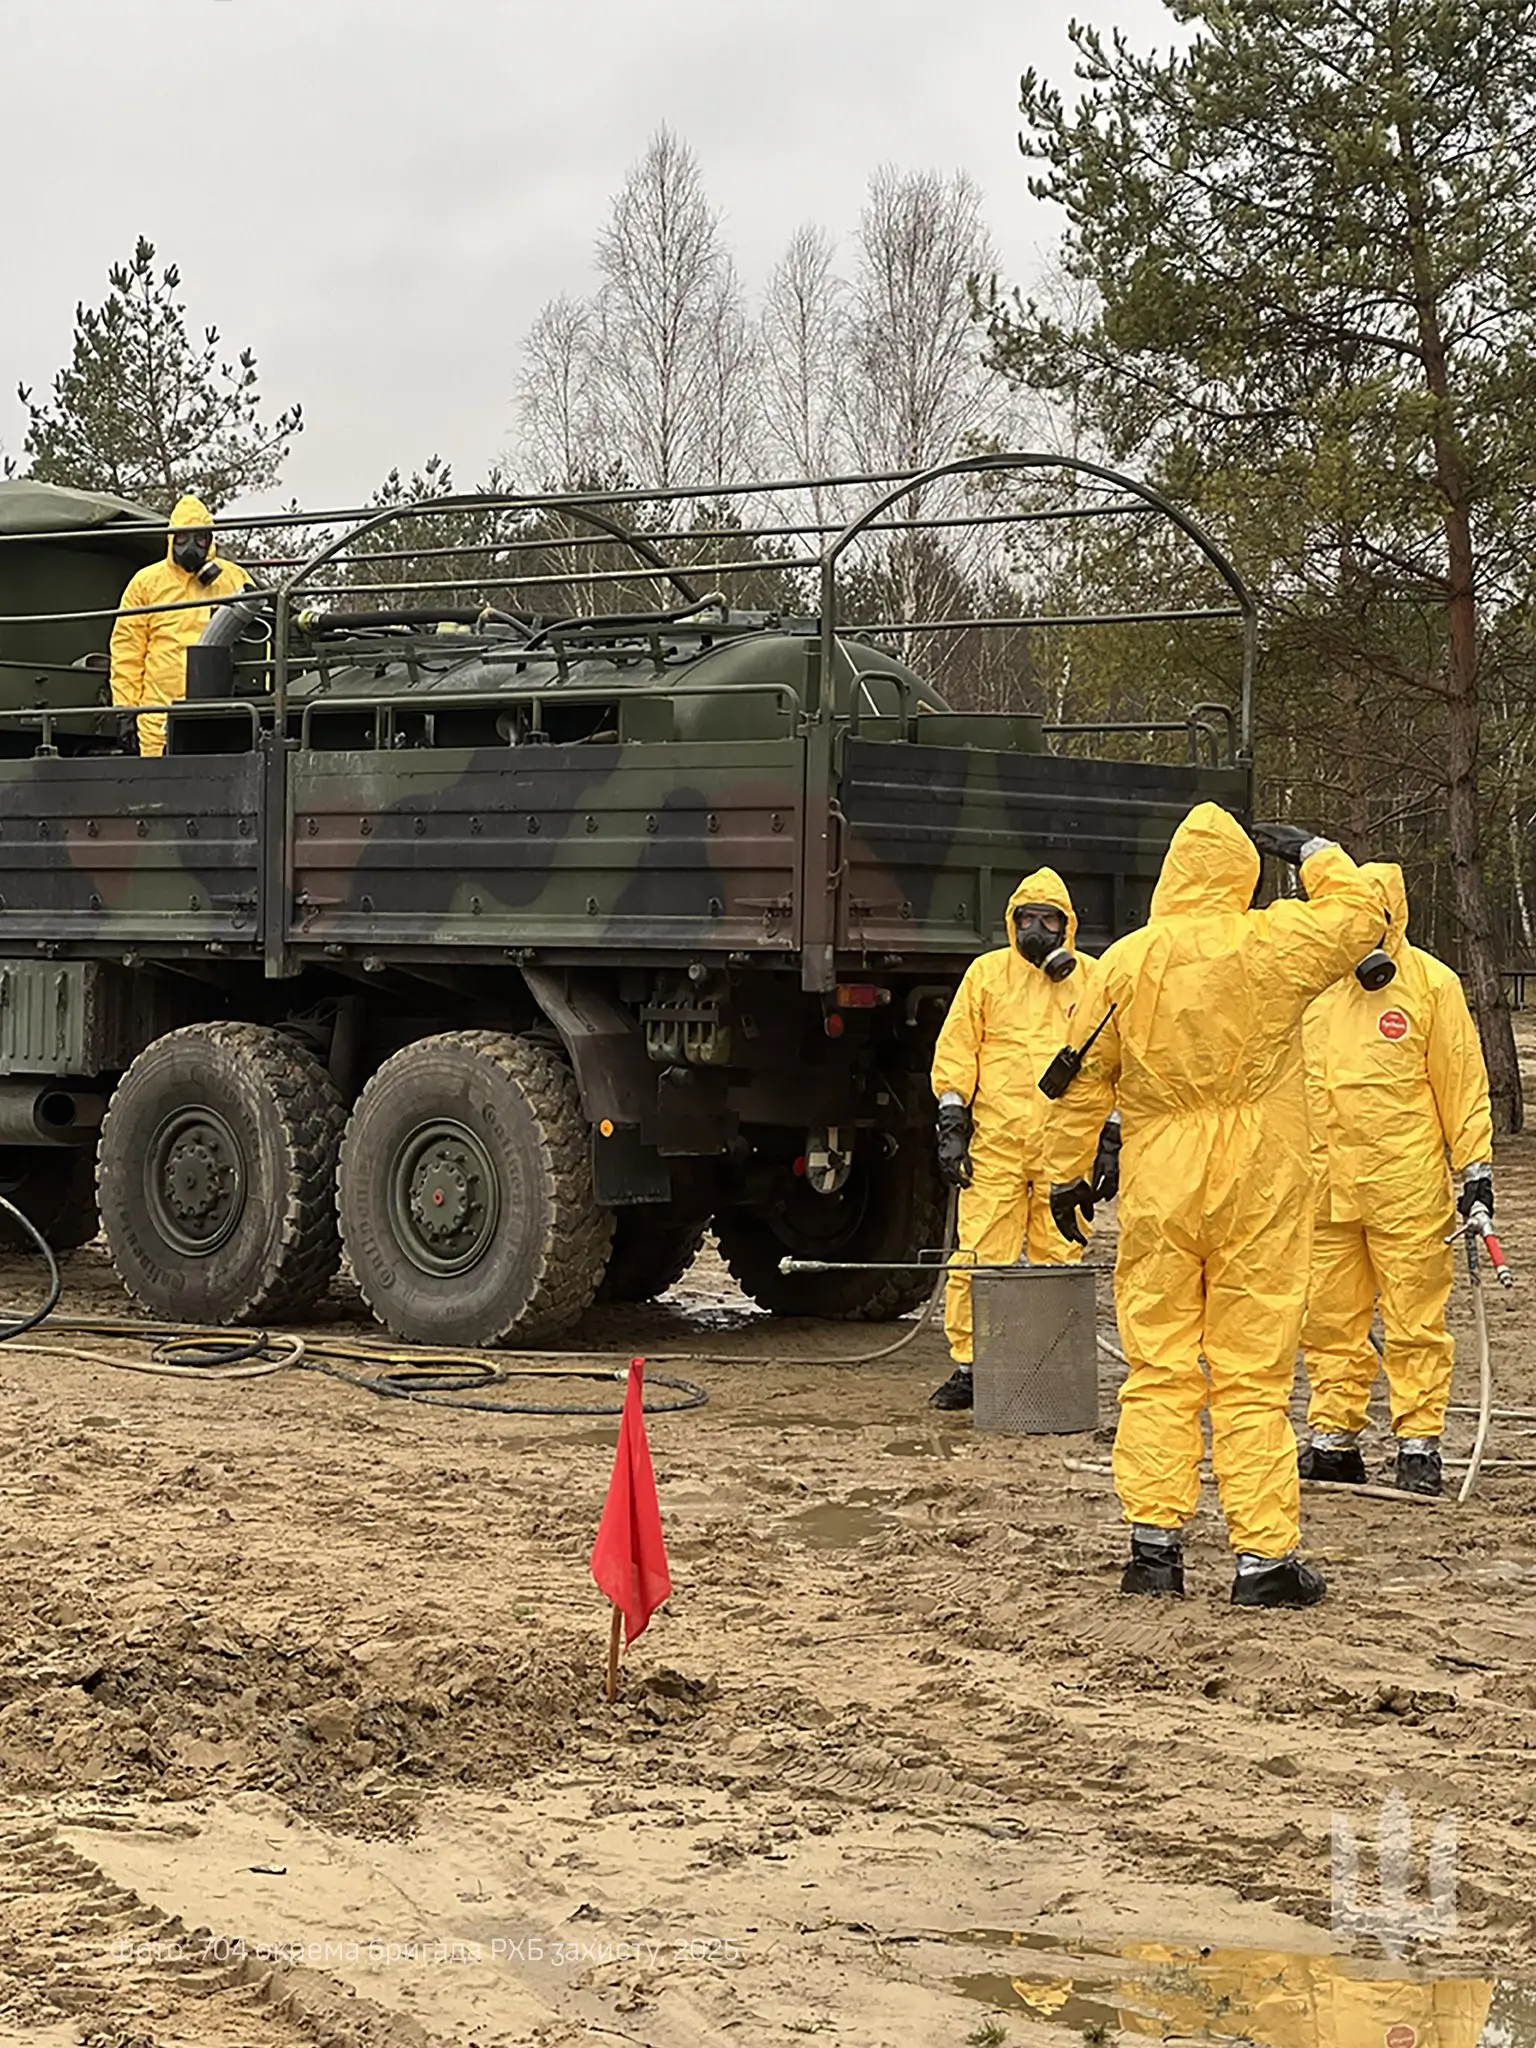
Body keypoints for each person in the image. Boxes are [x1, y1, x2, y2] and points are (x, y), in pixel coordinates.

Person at [1044, 803, 1391, 1607]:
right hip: (1258, 1179)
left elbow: (1081, 1075)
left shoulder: (1126, 962)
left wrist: (1065, 1174)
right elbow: (1363, 918)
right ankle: (1263, 1560)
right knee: (1252, 1372)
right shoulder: (1272, 941)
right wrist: (1318, 852)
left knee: (1159, 1364)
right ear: (1242, 874)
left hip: (1161, 1177)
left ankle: (1153, 1551)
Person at [1298, 863, 1494, 1498]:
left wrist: (1475, 1172)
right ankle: (1334, 1438)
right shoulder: (1310, 985)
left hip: (1404, 1187)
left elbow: (1461, 1083)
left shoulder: (1431, 984)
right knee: (1329, 1319)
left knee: (1415, 1317)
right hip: (1323, 1185)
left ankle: (1418, 1443)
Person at [928, 867, 1119, 1410]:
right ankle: (971, 1367)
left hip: (1067, 1150)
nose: (1036, 929)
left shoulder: (1095, 980)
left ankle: (1048, 1365)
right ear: (1012, 922)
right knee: (979, 1253)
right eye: (1027, 918)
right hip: (997, 1145)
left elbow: (1120, 1060)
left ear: (1067, 925)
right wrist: (952, 1121)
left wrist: (1113, 1134)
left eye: (1048, 920)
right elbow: (958, 1049)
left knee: (1059, 1257)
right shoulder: (987, 975)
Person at [109, 495, 250, 758]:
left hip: (220, 713)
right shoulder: (146, 583)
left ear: (210, 541)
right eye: (183, 538)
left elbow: (259, 626)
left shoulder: (233, 578)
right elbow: (127, 652)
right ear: (171, 538)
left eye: (200, 539)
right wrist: (125, 711)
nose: (191, 547)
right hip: (157, 717)